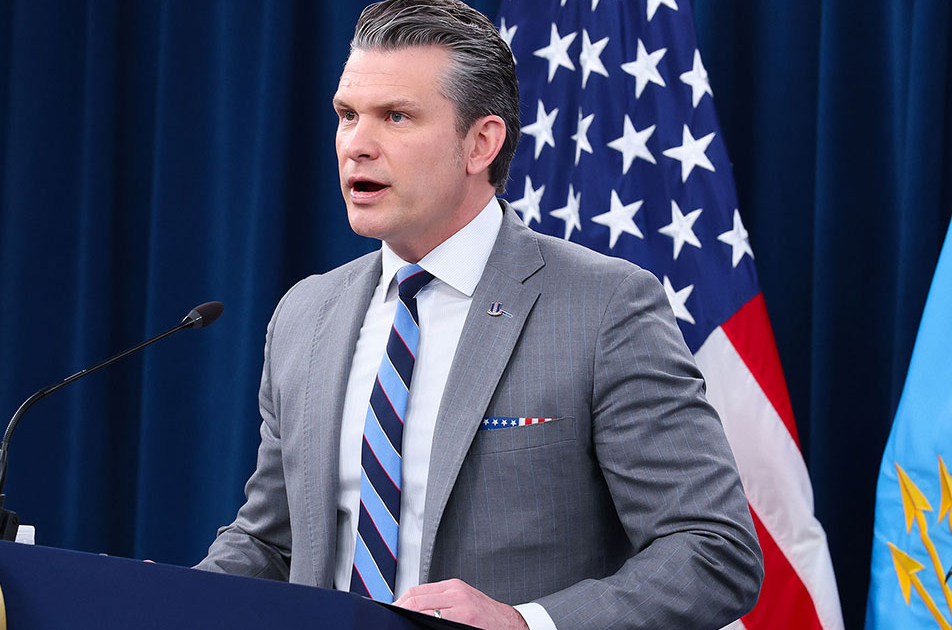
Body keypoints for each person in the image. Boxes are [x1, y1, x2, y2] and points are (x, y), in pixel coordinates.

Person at [197, 1, 763, 629]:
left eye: (397, 117)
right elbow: (274, 543)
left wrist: (528, 623)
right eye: (348, 115)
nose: (357, 144)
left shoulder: (605, 309)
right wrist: (159, 601)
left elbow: (714, 550)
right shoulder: (306, 314)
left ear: (481, 142)